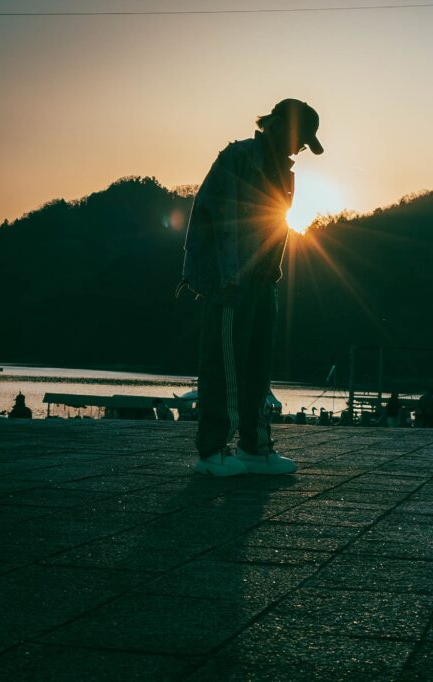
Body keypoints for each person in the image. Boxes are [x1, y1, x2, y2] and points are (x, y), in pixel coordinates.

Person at [178, 99, 323, 477]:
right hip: (228, 277)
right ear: (274, 126)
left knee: (258, 365)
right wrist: (229, 276)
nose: (298, 149)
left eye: (304, 144)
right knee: (224, 364)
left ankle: (254, 446)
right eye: (297, 139)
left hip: (261, 279)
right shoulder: (237, 156)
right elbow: (222, 219)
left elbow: (279, 222)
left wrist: (272, 271)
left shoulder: (284, 171)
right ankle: (212, 451)